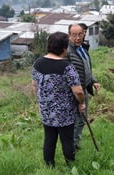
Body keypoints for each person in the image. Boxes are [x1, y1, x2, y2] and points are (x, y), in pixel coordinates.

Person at [31, 31, 86, 166]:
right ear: (63, 48)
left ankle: (49, 165)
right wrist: (82, 103)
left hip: (46, 110)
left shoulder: (38, 63)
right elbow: (78, 91)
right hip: (64, 112)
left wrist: (42, 100)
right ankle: (70, 165)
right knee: (67, 140)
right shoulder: (66, 66)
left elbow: (34, 85)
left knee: (49, 139)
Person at [67, 23, 101, 151]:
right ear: (69, 35)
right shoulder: (68, 53)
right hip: (75, 92)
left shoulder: (82, 48)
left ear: (84, 33)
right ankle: (72, 148)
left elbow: (85, 69)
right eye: (74, 35)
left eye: (80, 34)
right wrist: (77, 96)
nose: (77, 38)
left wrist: (93, 81)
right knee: (77, 120)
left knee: (81, 119)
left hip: (84, 89)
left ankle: (75, 144)